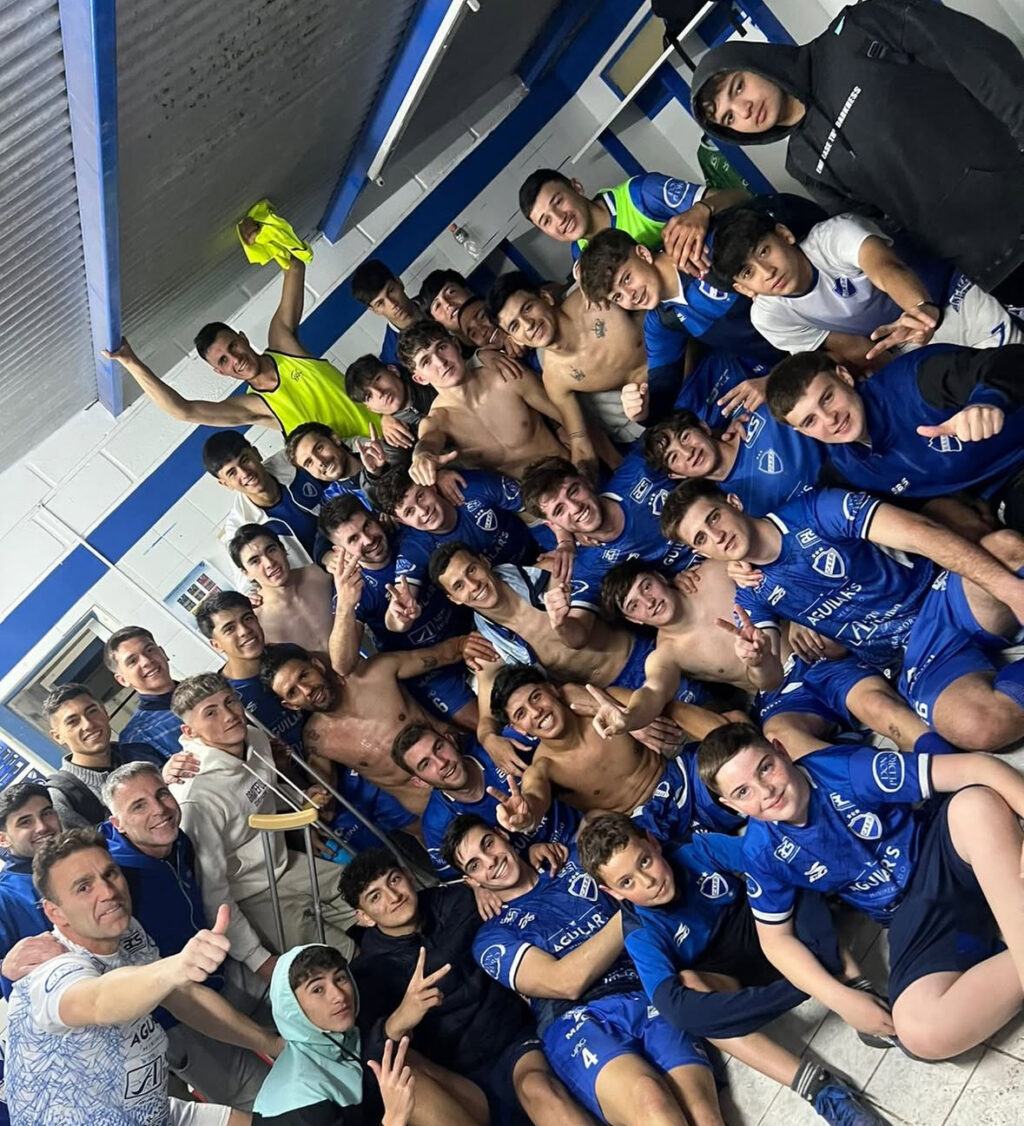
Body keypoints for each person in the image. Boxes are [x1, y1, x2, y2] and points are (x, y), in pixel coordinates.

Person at [699, 722, 1024, 1060]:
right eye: (743, 792)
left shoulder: (845, 768)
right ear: (732, 806)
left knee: (975, 805)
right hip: (911, 915)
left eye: (765, 768)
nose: (765, 791)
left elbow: (977, 767)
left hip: (943, 853)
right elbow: (775, 941)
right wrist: (841, 999)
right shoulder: (761, 851)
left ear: (780, 751)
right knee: (920, 1032)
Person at [690, 0, 1024, 305]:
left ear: (754, 62)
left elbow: (980, 58)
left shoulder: (858, 29)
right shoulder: (803, 162)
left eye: (738, 87)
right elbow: (881, 231)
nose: (744, 110)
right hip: (991, 268)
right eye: (729, 118)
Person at [661, 480, 1024, 750]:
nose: (717, 536)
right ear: (699, 552)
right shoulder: (750, 593)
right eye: (701, 538)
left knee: (1005, 549)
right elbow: (770, 680)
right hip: (915, 654)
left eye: (714, 518)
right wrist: (757, 660)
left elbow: (921, 533)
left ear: (734, 502)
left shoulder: (817, 509)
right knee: (981, 728)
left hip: (943, 596)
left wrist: (1011, 592)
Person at [576, 813, 885, 1124]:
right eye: (626, 882)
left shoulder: (694, 849)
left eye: (644, 861)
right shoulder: (639, 933)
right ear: (613, 893)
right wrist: (798, 990)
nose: (648, 882)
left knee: (784, 882)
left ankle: (855, 987)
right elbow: (676, 1009)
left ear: (653, 843)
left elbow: (772, 859)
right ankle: (820, 1089)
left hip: (769, 931)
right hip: (730, 976)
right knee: (691, 996)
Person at [443, 816, 726, 1126]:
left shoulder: (574, 860)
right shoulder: (491, 938)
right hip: (575, 1016)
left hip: (645, 988)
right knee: (651, 1101)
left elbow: (622, 834)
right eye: (475, 865)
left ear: (502, 834)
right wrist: (632, 910)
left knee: (704, 1115)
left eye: (488, 844)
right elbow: (565, 983)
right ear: (471, 881)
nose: (491, 861)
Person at [6, 827, 277, 1125]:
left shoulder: (128, 931)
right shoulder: (49, 969)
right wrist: (177, 966)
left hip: (151, 1112)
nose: (108, 892)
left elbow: (184, 998)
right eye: (84, 887)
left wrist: (272, 1044)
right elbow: (99, 1001)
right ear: (55, 912)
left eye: (110, 874)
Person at [341, 849, 591, 1126]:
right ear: (364, 917)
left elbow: (506, 887)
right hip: (454, 1079)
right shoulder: (368, 972)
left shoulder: (457, 901)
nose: (393, 896)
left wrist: (480, 885)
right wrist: (400, 1018)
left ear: (409, 877)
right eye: (375, 897)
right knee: (397, 1071)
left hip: (511, 1045)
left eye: (394, 880)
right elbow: (371, 1062)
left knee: (542, 1092)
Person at [598, 558, 932, 754]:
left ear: (660, 578)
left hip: (812, 655)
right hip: (778, 693)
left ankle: (937, 758)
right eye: (634, 605)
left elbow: (779, 569)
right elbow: (654, 691)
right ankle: (881, 784)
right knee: (781, 741)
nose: (649, 602)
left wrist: (796, 615)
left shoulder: (713, 571)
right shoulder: (665, 654)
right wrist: (630, 718)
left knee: (877, 705)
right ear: (634, 620)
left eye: (646, 587)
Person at [101, 761, 272, 1108]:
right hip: (176, 1016)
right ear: (118, 824)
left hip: (221, 974)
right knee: (261, 1098)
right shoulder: (118, 883)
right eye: (139, 805)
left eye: (162, 794)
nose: (159, 809)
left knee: (304, 1025)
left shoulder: (179, 841)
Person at [170, 673, 359, 980]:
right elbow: (212, 890)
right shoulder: (195, 797)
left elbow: (260, 794)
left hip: (286, 861)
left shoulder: (255, 737)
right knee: (339, 961)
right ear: (190, 731)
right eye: (211, 713)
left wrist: (301, 798)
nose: (229, 715)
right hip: (249, 893)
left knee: (368, 896)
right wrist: (255, 958)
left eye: (230, 702)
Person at [103, 258, 387, 443]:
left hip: (392, 426)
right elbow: (183, 411)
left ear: (243, 337)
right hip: (365, 467)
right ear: (220, 372)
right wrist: (132, 363)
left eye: (233, 346)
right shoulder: (255, 407)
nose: (236, 359)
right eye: (224, 360)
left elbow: (295, 266)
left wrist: (262, 237)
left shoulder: (283, 344)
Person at [711, 209, 1021, 368]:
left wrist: (919, 310)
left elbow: (886, 269)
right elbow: (857, 349)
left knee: (1011, 363)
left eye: (764, 251)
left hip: (948, 295)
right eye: (749, 272)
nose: (767, 272)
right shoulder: (769, 317)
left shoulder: (833, 234)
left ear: (784, 235)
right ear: (744, 288)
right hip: (901, 345)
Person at [764, 347, 1024, 532]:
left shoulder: (914, 380)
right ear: (803, 432)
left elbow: (1010, 360)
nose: (829, 419)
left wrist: (987, 402)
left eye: (827, 398)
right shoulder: (846, 472)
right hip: (1003, 491)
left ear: (844, 377)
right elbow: (807, 525)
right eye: (810, 421)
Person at [487, 664, 735, 842]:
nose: (535, 712)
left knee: (732, 722)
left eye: (536, 697)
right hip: (645, 828)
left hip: (680, 778)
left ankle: (741, 750)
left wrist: (633, 718)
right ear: (518, 729)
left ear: (552, 690)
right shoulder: (543, 768)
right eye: (521, 714)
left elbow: (659, 706)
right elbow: (534, 797)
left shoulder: (607, 703)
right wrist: (526, 816)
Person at [259, 623, 482, 814]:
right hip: (437, 810)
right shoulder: (317, 740)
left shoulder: (376, 673)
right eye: (293, 692)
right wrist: (289, 773)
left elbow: (446, 652)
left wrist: (472, 644)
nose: (307, 690)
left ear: (317, 666)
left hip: (472, 765)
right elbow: (324, 797)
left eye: (304, 676)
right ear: (290, 705)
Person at [577, 229, 783, 421]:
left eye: (627, 279)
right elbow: (662, 393)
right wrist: (641, 409)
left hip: (798, 348)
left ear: (643, 254)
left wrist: (704, 209)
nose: (630, 295)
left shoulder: (702, 249)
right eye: (617, 297)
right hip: (781, 369)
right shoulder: (661, 321)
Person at [254, 944, 469, 1126]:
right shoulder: (301, 1101)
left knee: (400, 1065)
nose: (338, 995)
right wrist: (393, 1119)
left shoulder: (341, 1036)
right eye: (318, 989)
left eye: (340, 978)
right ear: (292, 1007)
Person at [315, 497, 480, 730]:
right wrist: (345, 606)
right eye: (353, 539)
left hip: (470, 630)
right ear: (339, 551)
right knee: (484, 726)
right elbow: (343, 665)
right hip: (429, 671)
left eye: (367, 526)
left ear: (376, 519)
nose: (368, 539)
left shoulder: (408, 535)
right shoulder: (350, 586)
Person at [397, 322, 583, 484]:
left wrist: (591, 464)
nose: (440, 362)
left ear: (456, 345)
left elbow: (570, 419)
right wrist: (422, 456)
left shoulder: (506, 376)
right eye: (426, 361)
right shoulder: (438, 421)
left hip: (573, 472)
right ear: (420, 378)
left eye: (441, 347)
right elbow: (428, 442)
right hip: (532, 502)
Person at [389, 722, 579, 877]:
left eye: (439, 748)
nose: (441, 763)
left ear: (451, 740)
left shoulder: (498, 749)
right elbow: (462, 879)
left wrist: (532, 805)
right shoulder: (436, 826)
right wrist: (477, 888)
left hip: (581, 826)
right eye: (425, 764)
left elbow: (561, 755)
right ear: (420, 782)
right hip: (543, 875)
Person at [487, 271, 647, 453]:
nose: (528, 324)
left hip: (674, 359)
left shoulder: (591, 296)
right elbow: (580, 441)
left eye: (527, 308)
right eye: (515, 326)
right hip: (651, 414)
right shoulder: (556, 379)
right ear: (515, 339)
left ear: (546, 298)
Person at [519, 454, 694, 616]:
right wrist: (560, 622)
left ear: (585, 481)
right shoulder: (590, 566)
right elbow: (578, 631)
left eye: (573, 491)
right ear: (554, 526)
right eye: (559, 510)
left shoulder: (638, 469)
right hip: (694, 589)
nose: (575, 507)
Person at [518, 167, 747, 272]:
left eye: (558, 201)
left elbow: (740, 197)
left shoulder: (641, 193)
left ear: (576, 187)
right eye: (546, 221)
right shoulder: (581, 254)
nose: (559, 219)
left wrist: (701, 210)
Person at [371, 465, 544, 586]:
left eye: (421, 496)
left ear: (431, 486)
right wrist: (400, 614)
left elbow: (534, 509)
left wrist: (556, 545)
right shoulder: (415, 545)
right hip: (499, 593)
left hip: (538, 556)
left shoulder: (469, 486)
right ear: (402, 521)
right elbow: (403, 596)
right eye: (410, 512)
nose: (422, 511)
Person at [641, 405, 823, 516]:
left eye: (685, 437)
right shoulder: (732, 511)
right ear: (676, 475)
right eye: (674, 457)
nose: (688, 453)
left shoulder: (757, 414)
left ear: (704, 428)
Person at [44, 682, 168, 827]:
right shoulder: (63, 796)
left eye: (92, 711)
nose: (88, 724)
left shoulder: (141, 752)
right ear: (58, 736)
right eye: (73, 722)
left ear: (105, 712)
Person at [196, 590, 306, 751]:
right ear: (216, 645)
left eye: (247, 619)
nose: (244, 631)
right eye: (229, 629)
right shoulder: (223, 697)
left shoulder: (289, 654)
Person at [206, 430, 324, 569]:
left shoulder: (295, 459)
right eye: (232, 473)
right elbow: (249, 578)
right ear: (226, 484)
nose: (245, 473)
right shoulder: (238, 528)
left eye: (245, 460)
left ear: (256, 453)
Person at [229, 525, 334, 655]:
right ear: (246, 573)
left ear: (283, 549)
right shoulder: (256, 621)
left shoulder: (322, 574)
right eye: (255, 561)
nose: (269, 563)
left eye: (271, 550)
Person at [0, 783, 60, 970]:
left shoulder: (90, 858)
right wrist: (5, 968)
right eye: (25, 822)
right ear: (3, 839)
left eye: (46, 813)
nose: (42, 827)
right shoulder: (5, 897)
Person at [104, 625, 182, 758]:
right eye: (132, 661)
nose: (146, 661)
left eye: (149, 650)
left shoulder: (209, 688)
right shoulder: (137, 738)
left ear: (163, 653)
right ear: (122, 680)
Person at [345, 356, 436, 465]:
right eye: (369, 396)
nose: (379, 393)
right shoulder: (394, 439)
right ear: (371, 409)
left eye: (377, 379)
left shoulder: (430, 374)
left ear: (393, 370)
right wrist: (377, 470)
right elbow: (394, 470)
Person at [350, 259, 425, 371]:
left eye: (390, 291)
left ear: (399, 282)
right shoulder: (392, 356)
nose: (392, 304)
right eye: (380, 303)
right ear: (374, 310)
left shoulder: (439, 301)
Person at [284, 421, 382, 503]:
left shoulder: (382, 454)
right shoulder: (333, 501)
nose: (320, 461)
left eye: (319, 448)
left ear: (335, 439)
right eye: (309, 462)